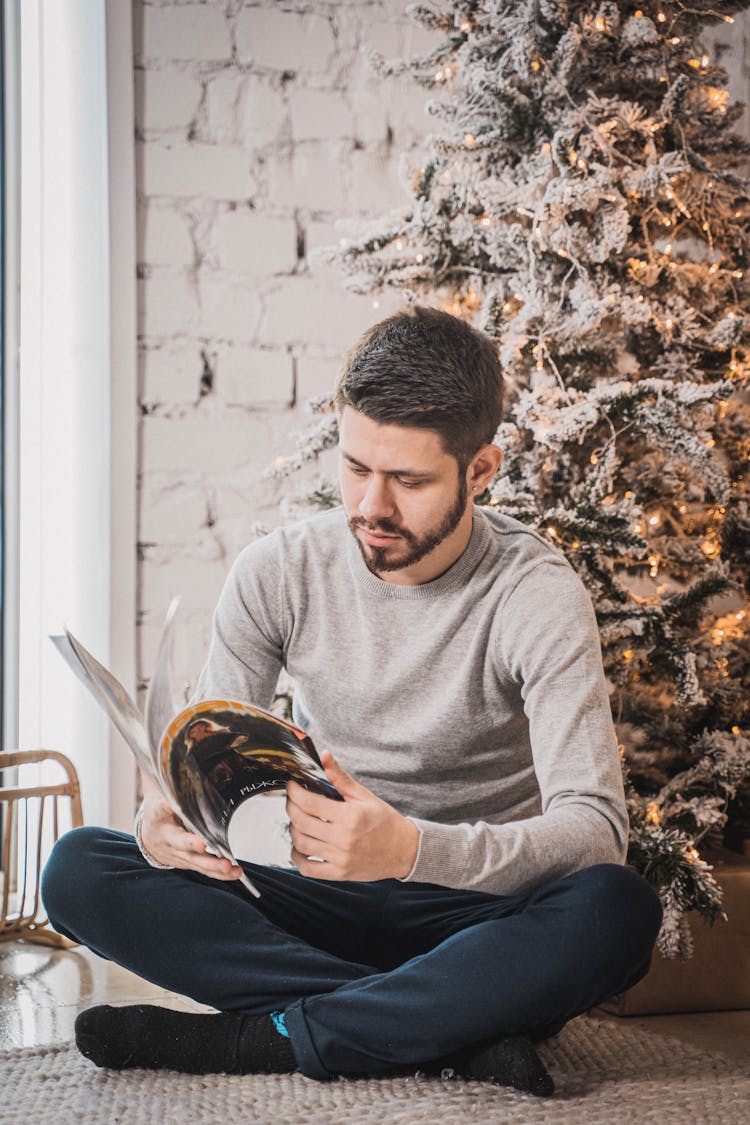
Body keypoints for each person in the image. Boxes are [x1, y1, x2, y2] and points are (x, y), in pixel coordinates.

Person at [42, 306, 662, 1097]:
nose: (371, 504)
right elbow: (207, 766)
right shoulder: (279, 571)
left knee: (617, 908)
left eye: (408, 480)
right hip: (321, 896)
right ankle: (447, 1025)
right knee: (79, 868)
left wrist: (409, 849)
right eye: (356, 466)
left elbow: (596, 828)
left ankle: (259, 1038)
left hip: (477, 912)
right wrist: (165, 822)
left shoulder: (534, 593)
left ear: (480, 470)